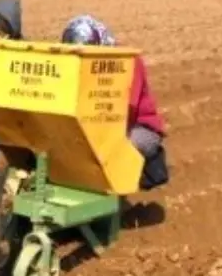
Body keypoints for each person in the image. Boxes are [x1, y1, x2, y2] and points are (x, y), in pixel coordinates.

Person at [60, 15, 168, 190]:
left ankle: (113, 194)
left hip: (138, 128)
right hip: (104, 123)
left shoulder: (127, 62)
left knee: (113, 148)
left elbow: (127, 109)